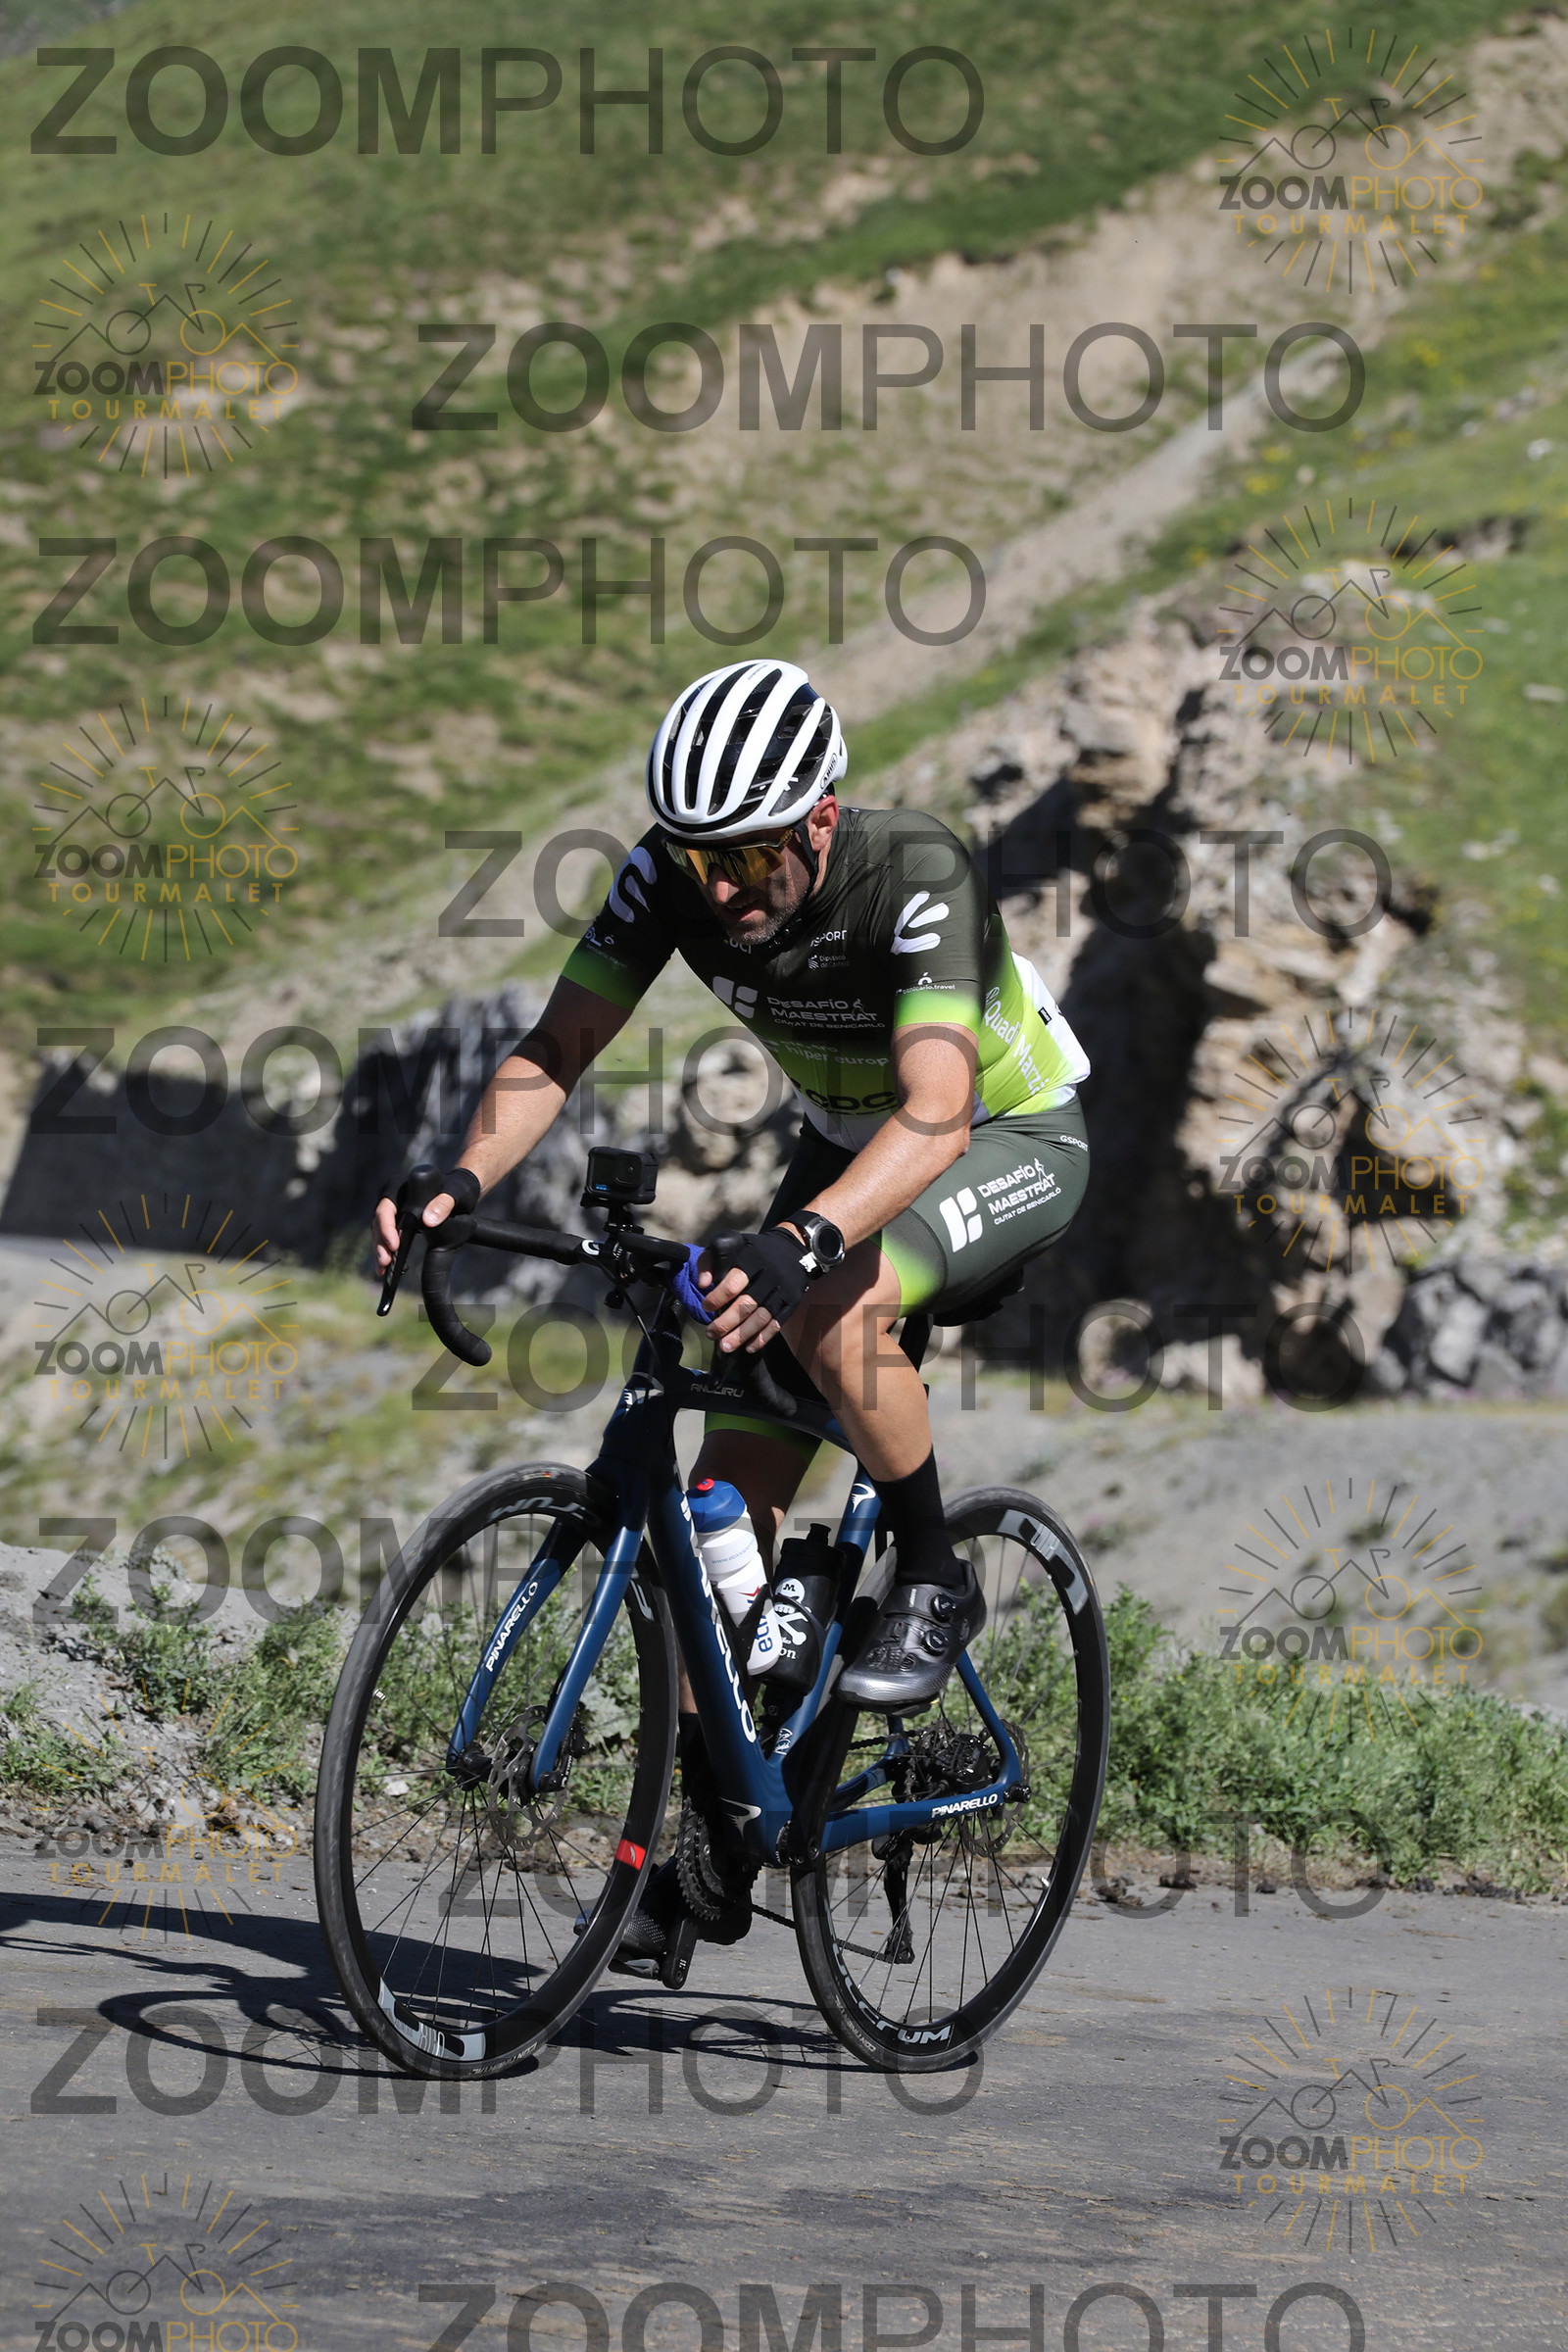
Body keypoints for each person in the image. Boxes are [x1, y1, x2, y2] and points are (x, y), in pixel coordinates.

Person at [373, 658, 1091, 1959]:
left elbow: (938, 1112)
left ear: (821, 820)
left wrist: (805, 1237)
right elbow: (556, 1048)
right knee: (719, 1503)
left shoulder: (914, 872)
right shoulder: (672, 873)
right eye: (699, 859)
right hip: (849, 1143)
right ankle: (715, 1839)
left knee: (826, 1306)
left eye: (750, 860)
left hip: (1001, 1134)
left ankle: (934, 1578)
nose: (720, 892)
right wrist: (457, 1180)